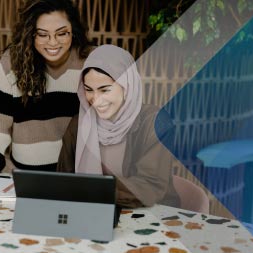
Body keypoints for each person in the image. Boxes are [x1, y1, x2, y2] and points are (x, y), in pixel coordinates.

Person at [0, 0, 92, 183]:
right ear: (30, 34)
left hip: (79, 177)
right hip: (25, 178)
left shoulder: (91, 62)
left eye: (61, 33)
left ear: (74, 32)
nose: (53, 42)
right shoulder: (12, 63)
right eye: (42, 35)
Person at [57, 44, 180, 209]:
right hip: (94, 213)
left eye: (105, 90)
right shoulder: (79, 124)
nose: (96, 99)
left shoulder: (156, 122)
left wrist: (92, 191)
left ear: (127, 85)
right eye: (89, 90)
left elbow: (150, 186)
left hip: (152, 216)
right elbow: (63, 179)